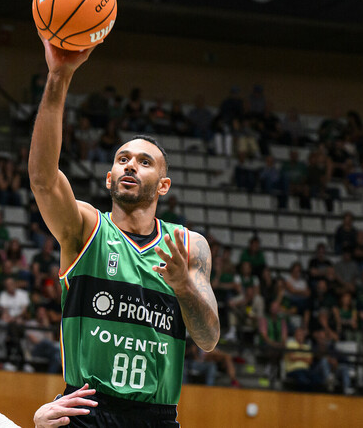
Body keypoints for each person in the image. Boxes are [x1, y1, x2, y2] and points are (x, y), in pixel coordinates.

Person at [28, 37, 219, 427]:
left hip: (156, 415)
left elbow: (209, 337)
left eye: (144, 162)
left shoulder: (187, 246)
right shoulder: (85, 229)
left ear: (163, 185)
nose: (131, 165)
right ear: (109, 177)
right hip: (86, 408)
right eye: (122, 159)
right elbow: (43, 180)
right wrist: (59, 77)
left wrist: (183, 286)